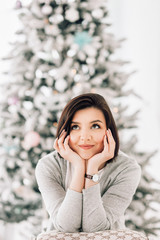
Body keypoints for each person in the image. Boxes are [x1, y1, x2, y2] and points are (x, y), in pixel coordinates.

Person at [35, 93, 141, 233]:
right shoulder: (48, 166)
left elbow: (96, 228)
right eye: (75, 127)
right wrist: (79, 167)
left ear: (108, 131)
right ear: (64, 132)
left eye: (95, 126)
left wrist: (92, 169)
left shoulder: (126, 169)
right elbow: (66, 227)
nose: (85, 137)